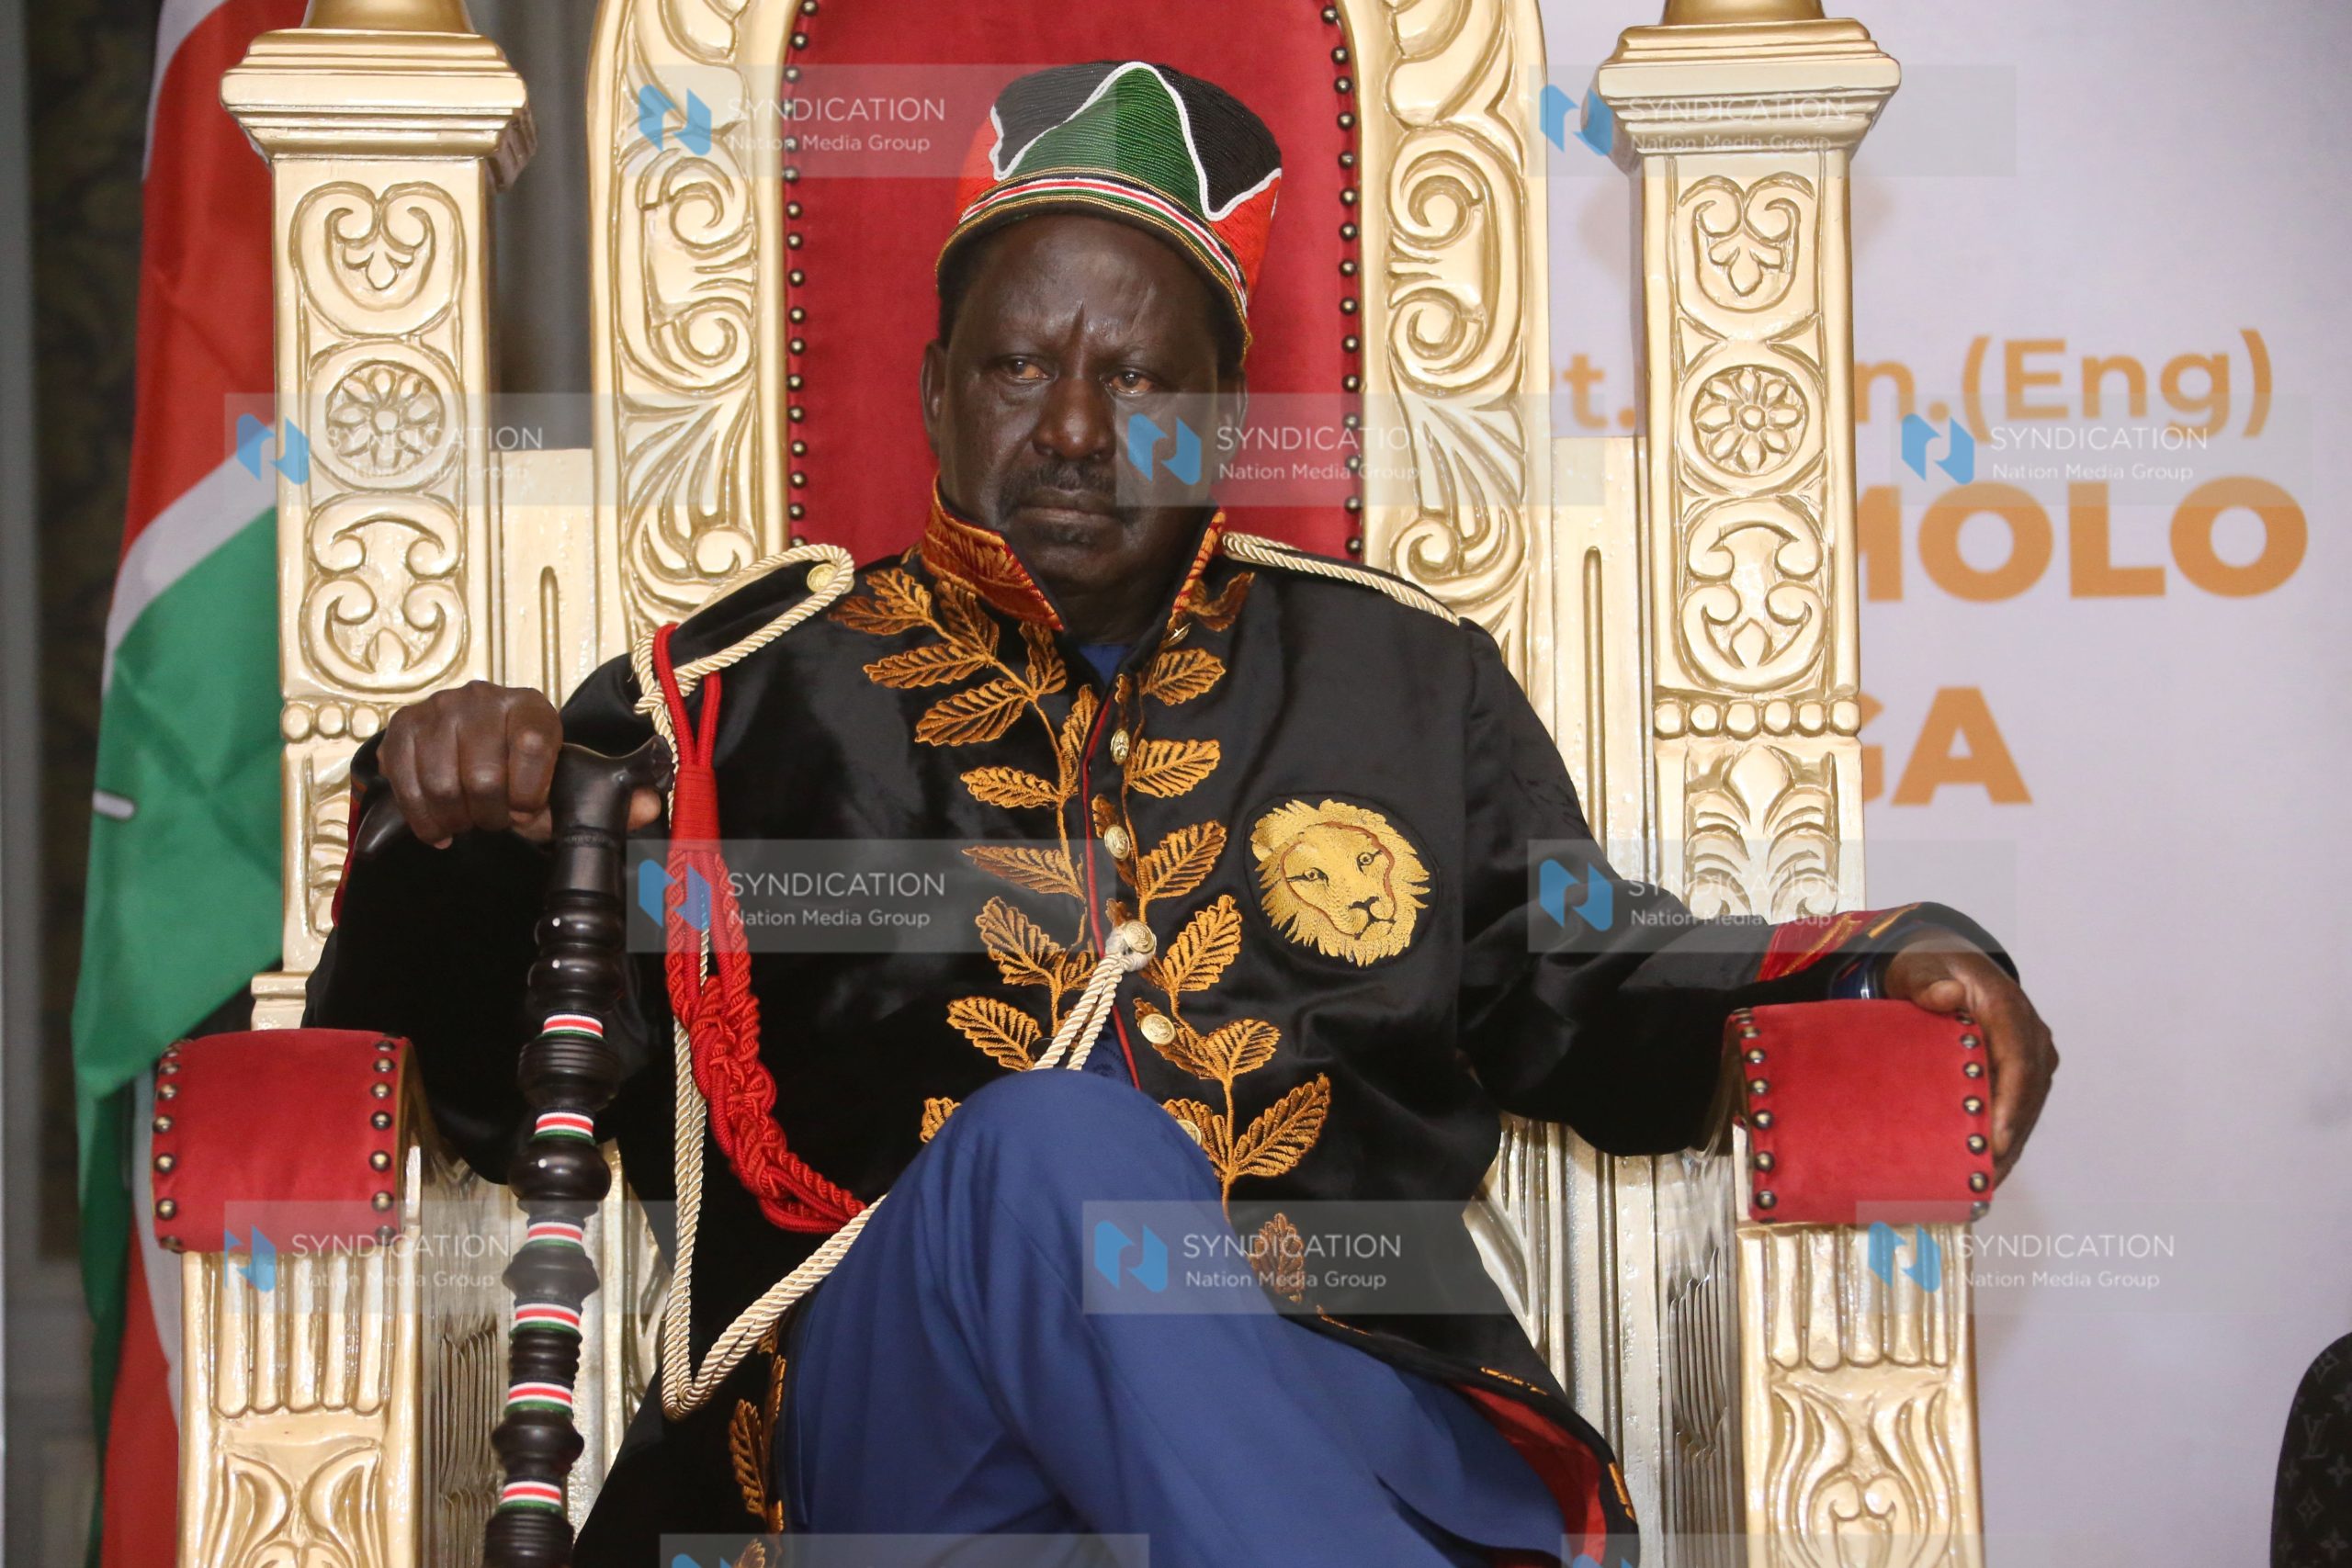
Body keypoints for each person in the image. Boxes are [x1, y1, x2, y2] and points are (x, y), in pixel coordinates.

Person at [310, 60, 2057, 1568]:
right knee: (1049, 1154)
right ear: (932, 394)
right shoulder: (723, 697)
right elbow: (479, 1083)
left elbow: (1589, 983)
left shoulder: (1399, 675)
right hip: (893, 1466)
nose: (1072, 428)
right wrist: (449, 827)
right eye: (1015, 371)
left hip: (1348, 1401)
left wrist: (1872, 961)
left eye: (1136, 383)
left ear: (1217, 417)